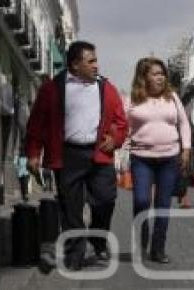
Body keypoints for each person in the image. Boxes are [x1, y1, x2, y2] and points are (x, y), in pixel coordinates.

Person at [26, 40, 127, 272]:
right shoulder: (52, 89)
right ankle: (75, 254)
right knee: (71, 208)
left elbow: (121, 122)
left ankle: (97, 238)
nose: (96, 65)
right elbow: (36, 125)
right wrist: (33, 154)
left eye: (96, 60)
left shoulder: (106, 89)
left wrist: (115, 139)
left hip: (98, 153)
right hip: (67, 154)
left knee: (105, 199)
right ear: (74, 64)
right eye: (90, 61)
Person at [125, 57, 191, 263]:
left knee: (163, 205)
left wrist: (186, 148)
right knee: (142, 200)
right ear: (144, 77)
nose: (161, 77)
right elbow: (121, 126)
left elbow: (184, 123)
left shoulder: (172, 98)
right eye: (155, 74)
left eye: (162, 74)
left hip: (169, 158)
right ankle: (142, 237)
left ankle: (158, 249)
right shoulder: (131, 100)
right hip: (141, 158)